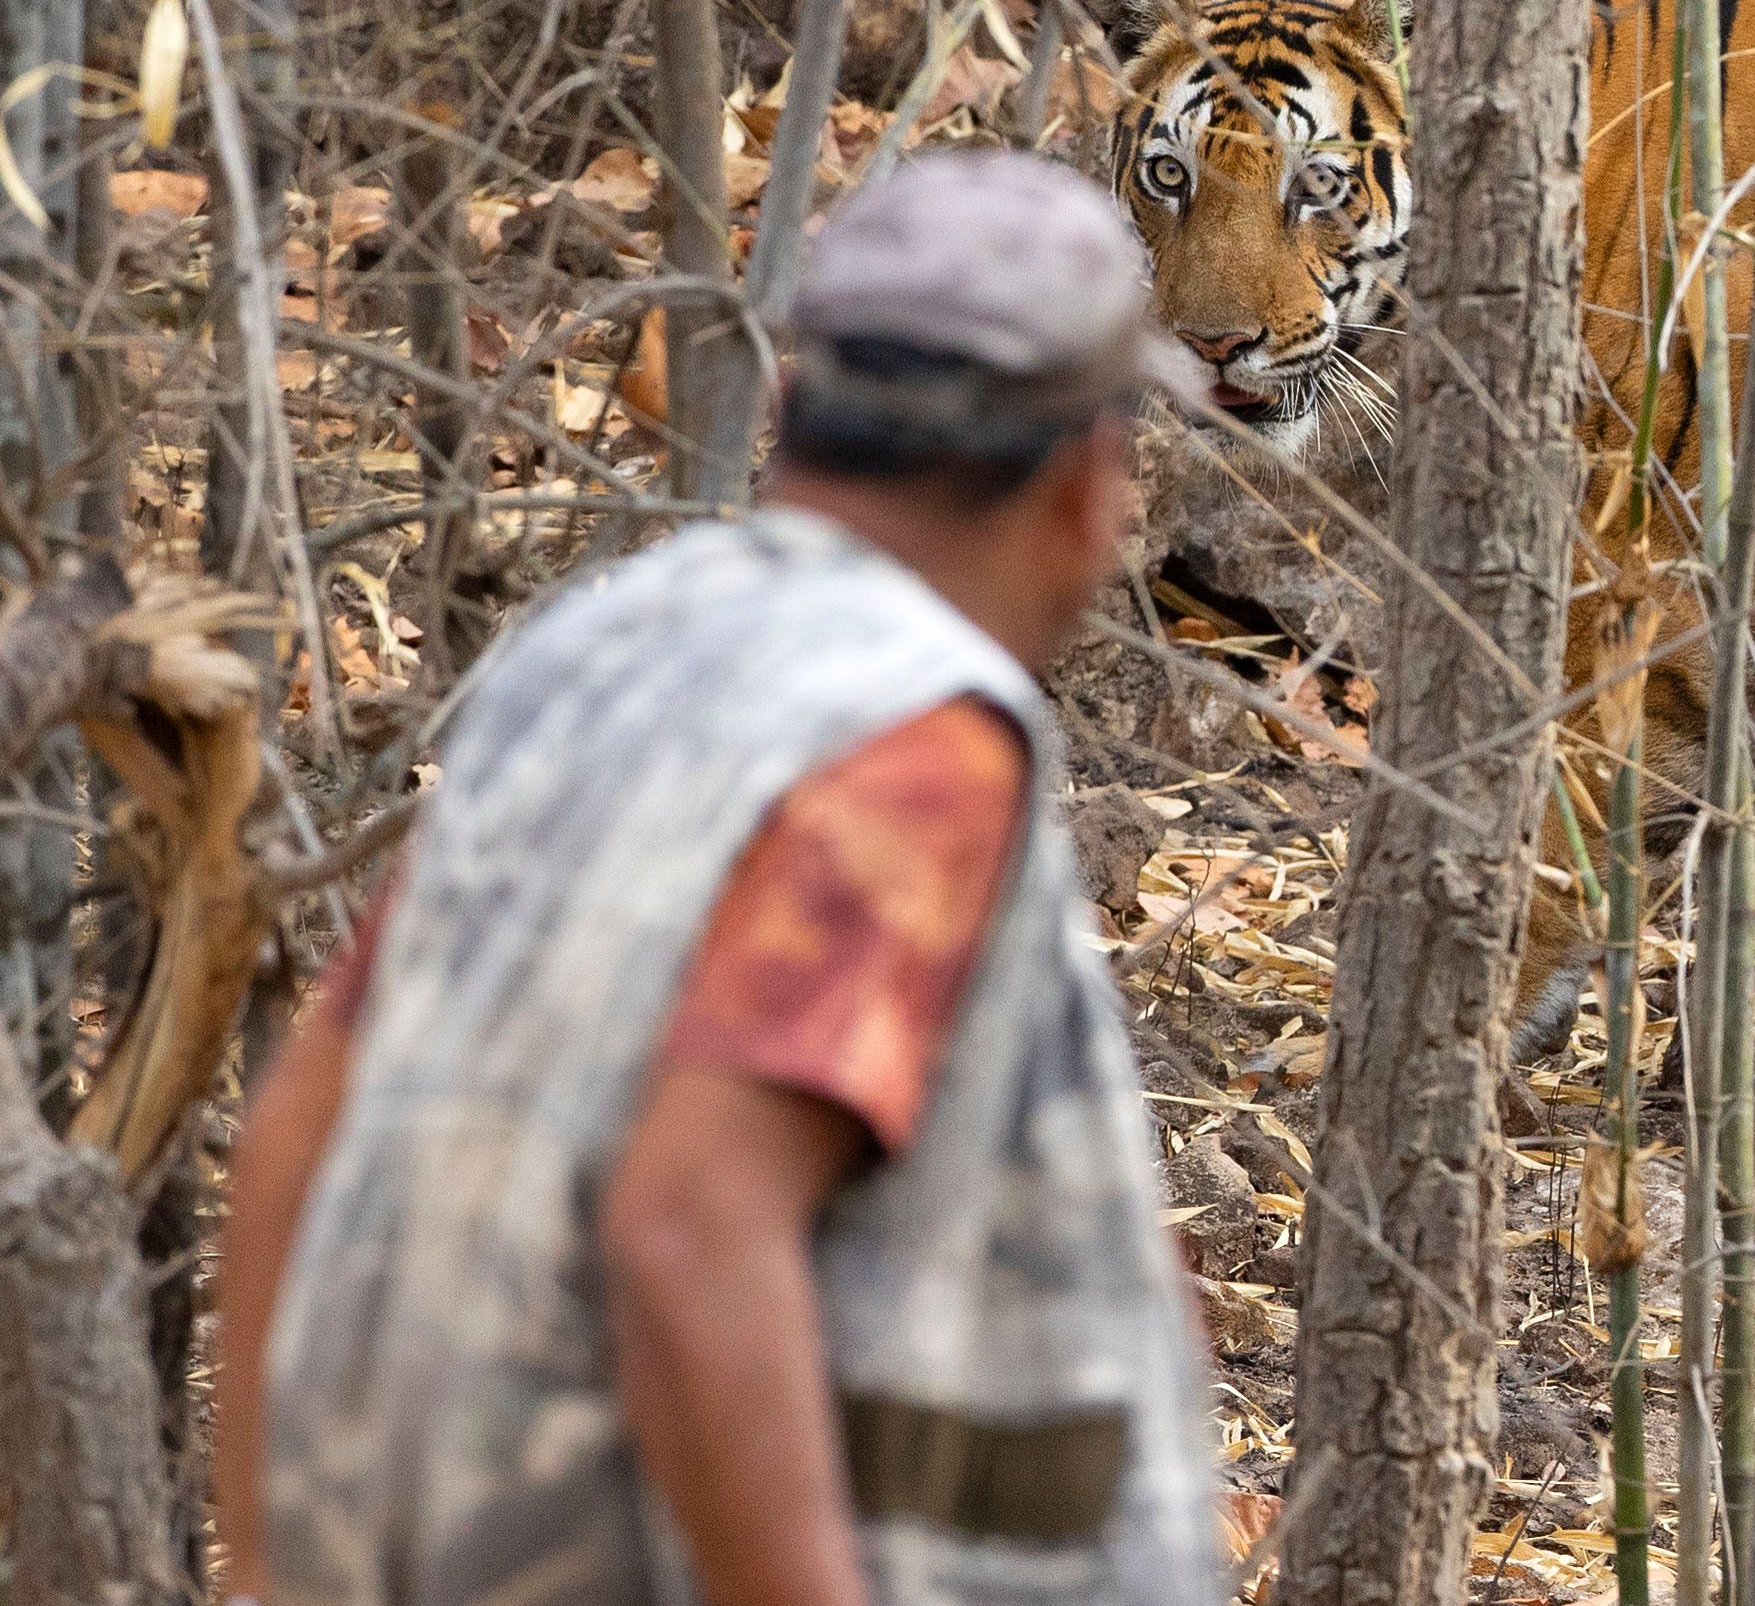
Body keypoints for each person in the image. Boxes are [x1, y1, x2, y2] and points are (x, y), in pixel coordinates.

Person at [213, 152, 1230, 1606]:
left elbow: (307, 1108)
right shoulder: (914, 748)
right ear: (1086, 476)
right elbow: (690, 1217)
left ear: (794, 412)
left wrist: (263, 1566)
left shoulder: (597, 650)